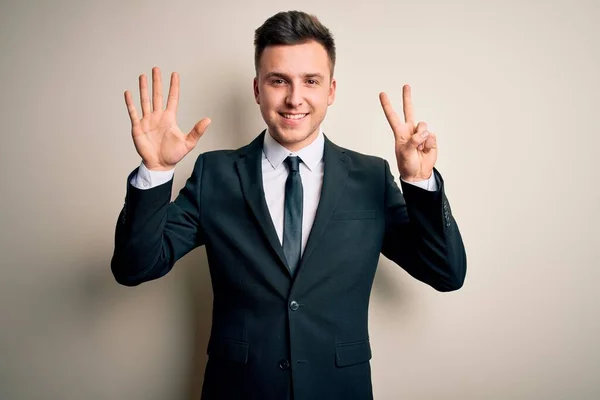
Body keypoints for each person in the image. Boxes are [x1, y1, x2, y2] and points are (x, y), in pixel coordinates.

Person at [112, 10, 466, 400]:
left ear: (330, 90)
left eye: (310, 81)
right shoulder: (215, 174)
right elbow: (135, 267)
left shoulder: (372, 177)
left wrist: (418, 182)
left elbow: (445, 273)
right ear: (257, 89)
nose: (294, 98)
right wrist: (156, 172)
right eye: (278, 80)